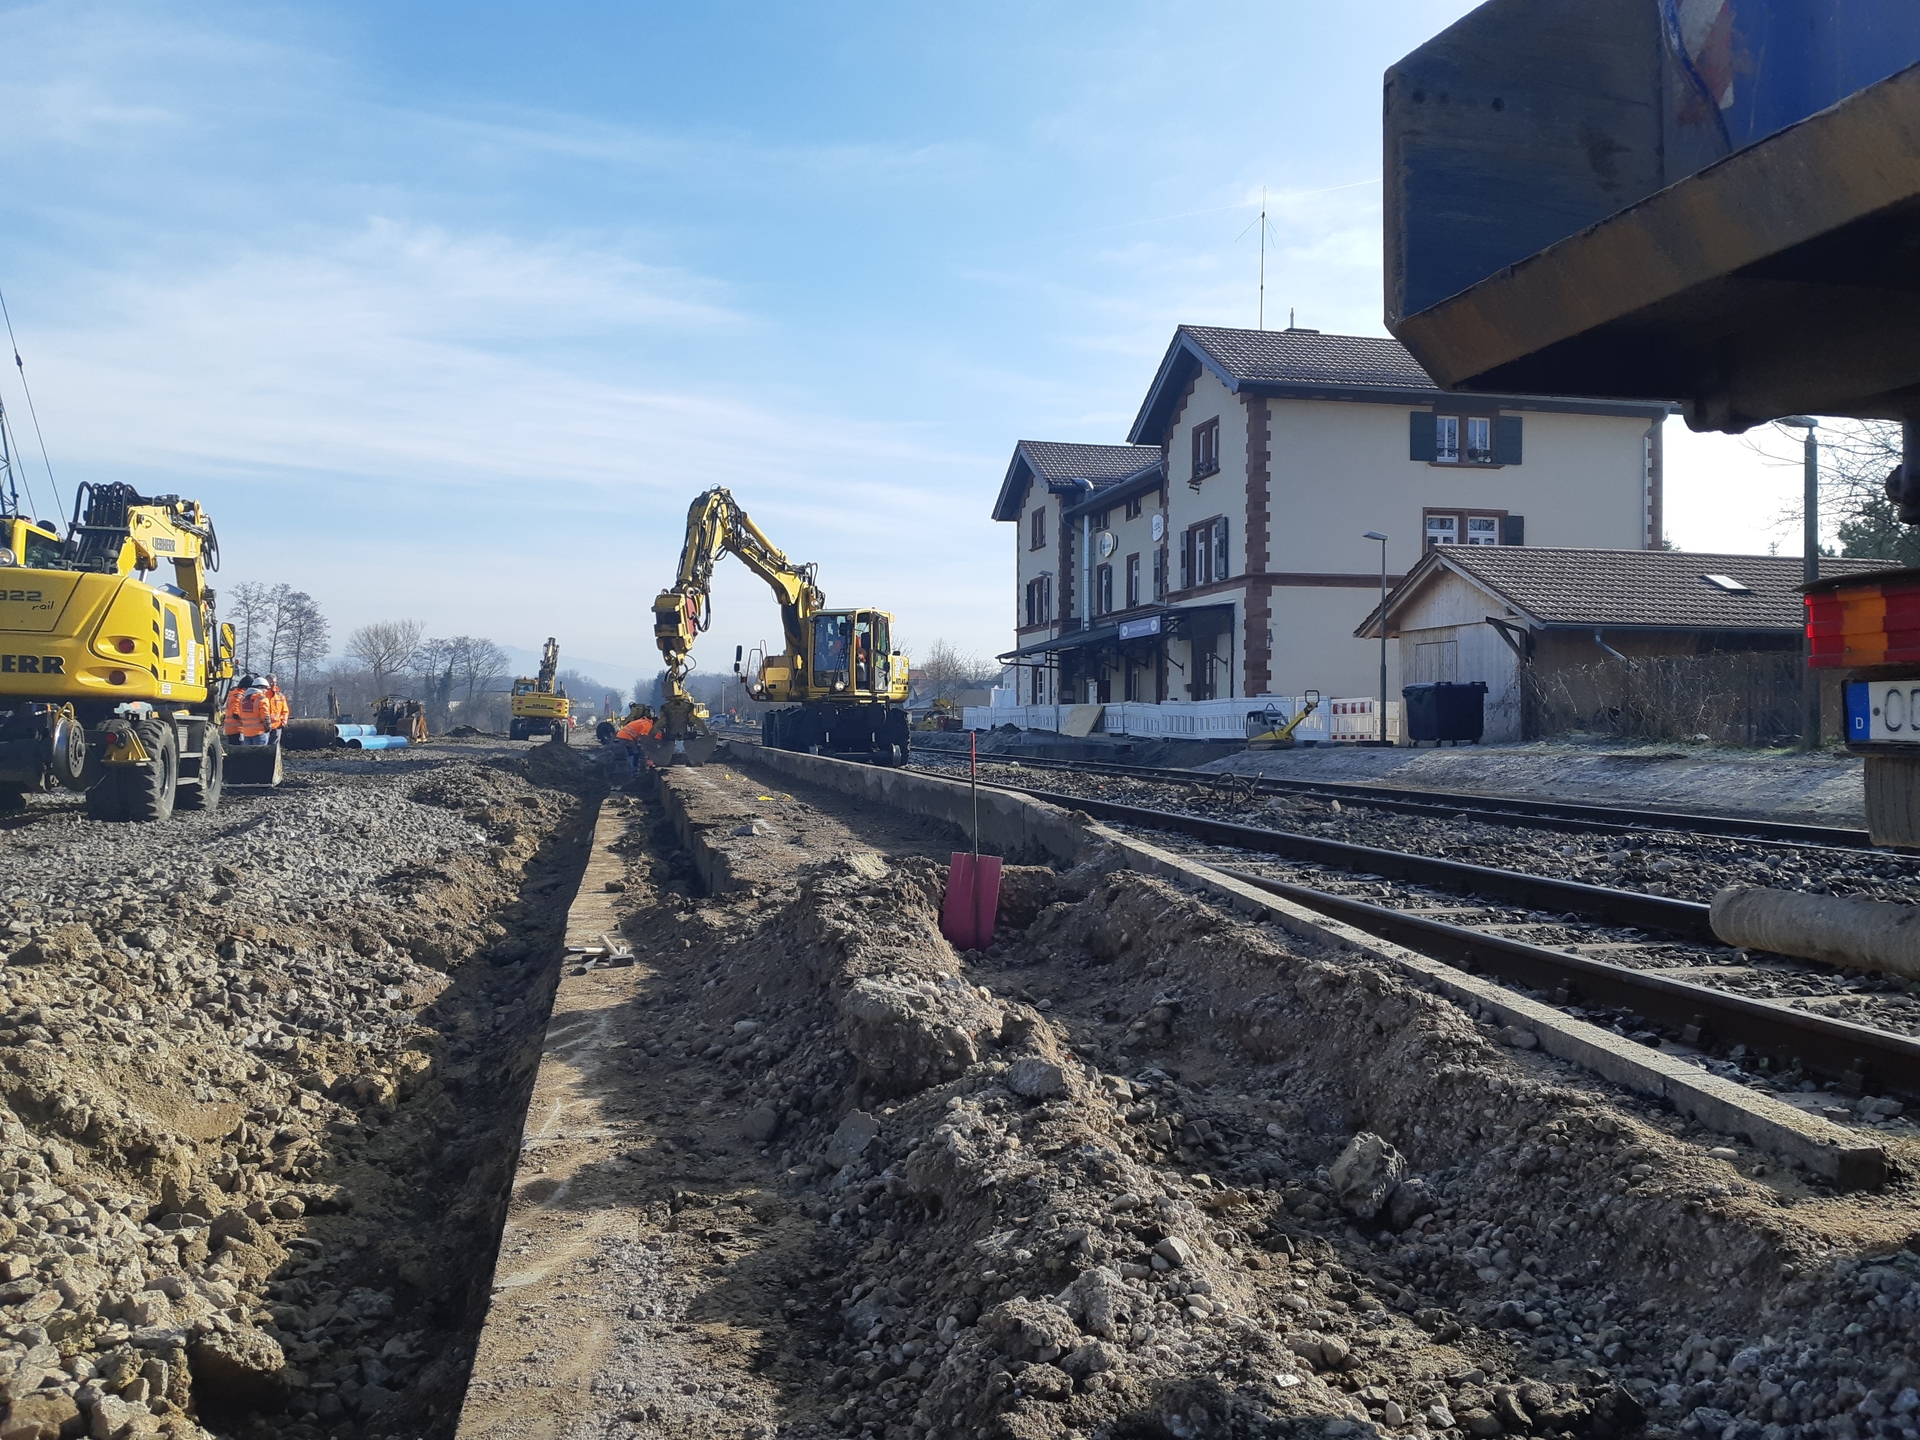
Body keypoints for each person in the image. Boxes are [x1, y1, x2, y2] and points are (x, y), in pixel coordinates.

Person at [224, 674, 286, 746]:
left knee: (247, 754)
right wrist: (268, 727)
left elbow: (241, 714)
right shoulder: (262, 699)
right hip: (257, 732)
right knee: (258, 755)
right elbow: (265, 716)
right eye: (265, 688)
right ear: (260, 687)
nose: (266, 691)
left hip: (246, 733)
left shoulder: (243, 699)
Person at [614, 705, 655, 775]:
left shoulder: (642, 721)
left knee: (633, 752)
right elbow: (643, 737)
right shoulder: (648, 724)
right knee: (634, 753)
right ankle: (633, 770)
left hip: (622, 736)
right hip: (627, 737)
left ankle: (633, 768)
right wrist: (643, 748)